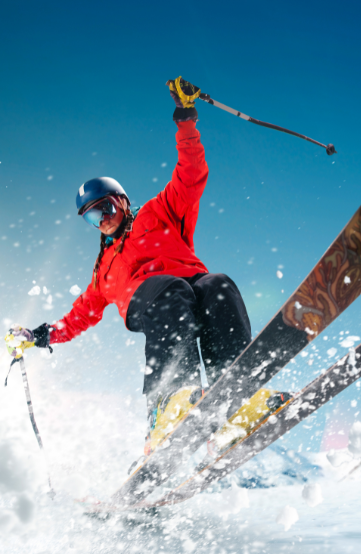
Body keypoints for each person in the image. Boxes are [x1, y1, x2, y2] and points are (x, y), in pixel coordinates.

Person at [7, 78, 254, 456]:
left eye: (105, 209)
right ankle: (169, 404)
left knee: (217, 285)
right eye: (92, 219)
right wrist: (40, 335)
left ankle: (234, 396)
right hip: (152, 300)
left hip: (191, 284)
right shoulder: (104, 269)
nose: (102, 221)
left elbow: (190, 176)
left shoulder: (159, 213)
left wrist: (186, 121)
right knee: (171, 292)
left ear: (121, 201)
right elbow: (79, 317)